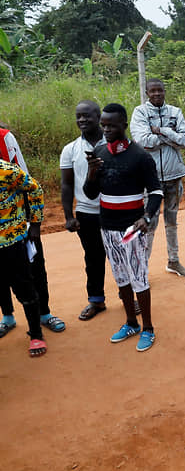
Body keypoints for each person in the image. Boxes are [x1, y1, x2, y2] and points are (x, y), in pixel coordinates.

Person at [83, 103, 164, 352]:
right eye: (104, 125)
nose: (106, 129)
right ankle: (131, 323)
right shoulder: (99, 152)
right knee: (120, 277)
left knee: (138, 277)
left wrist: (147, 217)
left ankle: (148, 328)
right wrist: (91, 172)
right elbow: (90, 193)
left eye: (111, 125)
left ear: (124, 125)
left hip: (132, 229)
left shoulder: (140, 156)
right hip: (107, 226)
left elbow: (156, 192)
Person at [0, 126, 65, 338]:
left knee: (33, 270)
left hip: (19, 226)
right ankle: (7, 317)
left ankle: (44, 315)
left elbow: (27, 181)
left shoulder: (4, 137)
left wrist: (33, 223)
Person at [130, 78, 185, 278]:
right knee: (149, 222)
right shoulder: (140, 112)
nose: (157, 94)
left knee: (172, 221)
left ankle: (173, 261)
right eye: (153, 91)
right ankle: (143, 268)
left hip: (174, 176)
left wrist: (163, 131)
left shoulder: (175, 112)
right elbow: (142, 142)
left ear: (165, 91)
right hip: (150, 179)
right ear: (147, 92)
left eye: (160, 90)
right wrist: (172, 137)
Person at [60, 100, 107, 321]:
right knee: (93, 258)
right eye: (78, 116)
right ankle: (96, 300)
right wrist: (69, 216)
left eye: (87, 115)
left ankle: (128, 296)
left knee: (121, 258)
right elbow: (67, 184)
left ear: (99, 117)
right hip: (87, 213)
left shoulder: (115, 145)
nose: (82, 120)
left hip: (115, 210)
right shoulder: (70, 150)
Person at [0, 159, 48, 356]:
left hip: (12, 241)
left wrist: (35, 223)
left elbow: (35, 189)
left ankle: (36, 334)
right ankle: (8, 319)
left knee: (24, 286)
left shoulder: (6, 171)